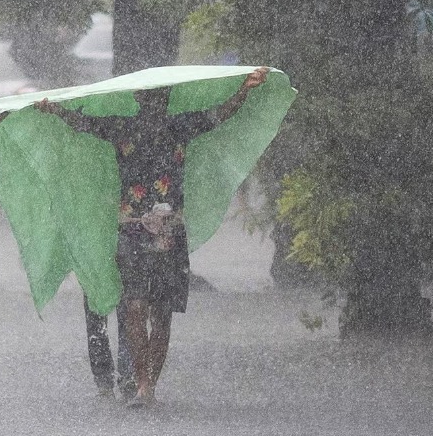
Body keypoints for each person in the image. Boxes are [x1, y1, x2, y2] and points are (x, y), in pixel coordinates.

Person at [35, 66, 269, 408]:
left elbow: (220, 115)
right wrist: (54, 109)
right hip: (136, 230)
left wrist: (244, 91)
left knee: (156, 311)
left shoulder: (176, 127)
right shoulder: (133, 128)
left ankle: (148, 384)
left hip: (164, 232)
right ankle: (144, 383)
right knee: (139, 307)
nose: (155, 103)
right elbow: (84, 123)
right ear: (140, 99)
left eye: (159, 97)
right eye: (151, 96)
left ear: (162, 100)